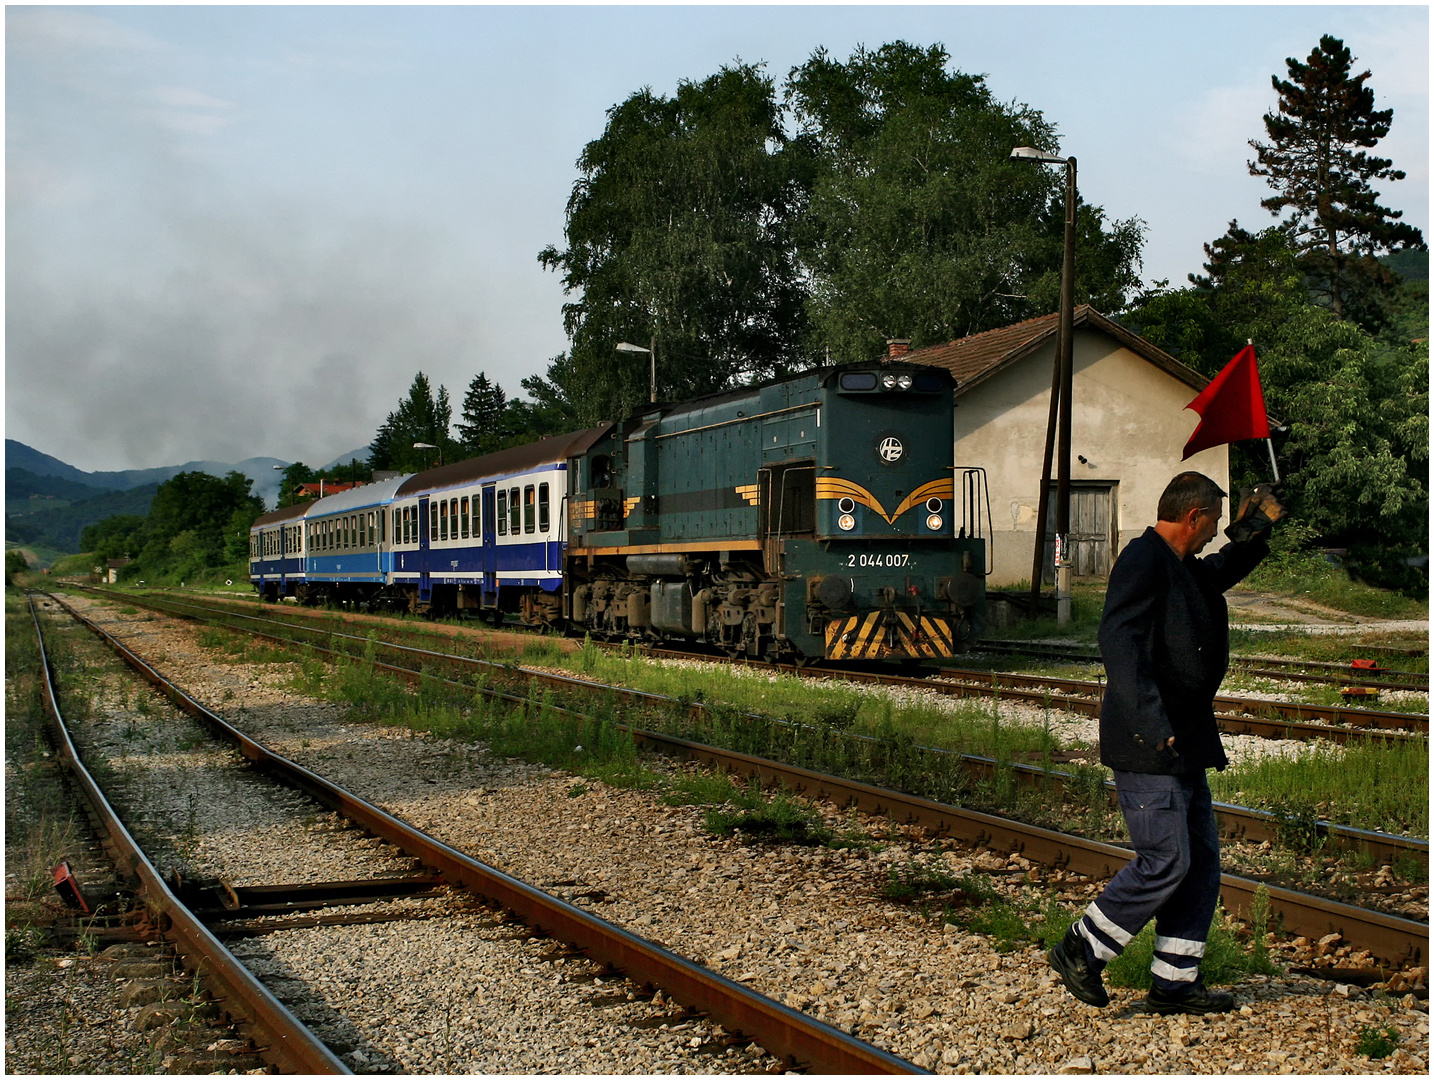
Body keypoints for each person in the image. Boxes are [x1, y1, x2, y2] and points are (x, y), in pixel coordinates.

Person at [1048, 471, 1283, 1015]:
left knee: (1199, 863)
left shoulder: (1180, 566)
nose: (1213, 534)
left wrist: (1254, 529)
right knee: (1166, 859)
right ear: (1193, 517)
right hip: (1149, 740)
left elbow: (1218, 571)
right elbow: (1120, 643)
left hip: (1185, 740)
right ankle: (1080, 949)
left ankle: (1175, 983)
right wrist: (1152, 721)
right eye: (1215, 524)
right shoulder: (1143, 560)